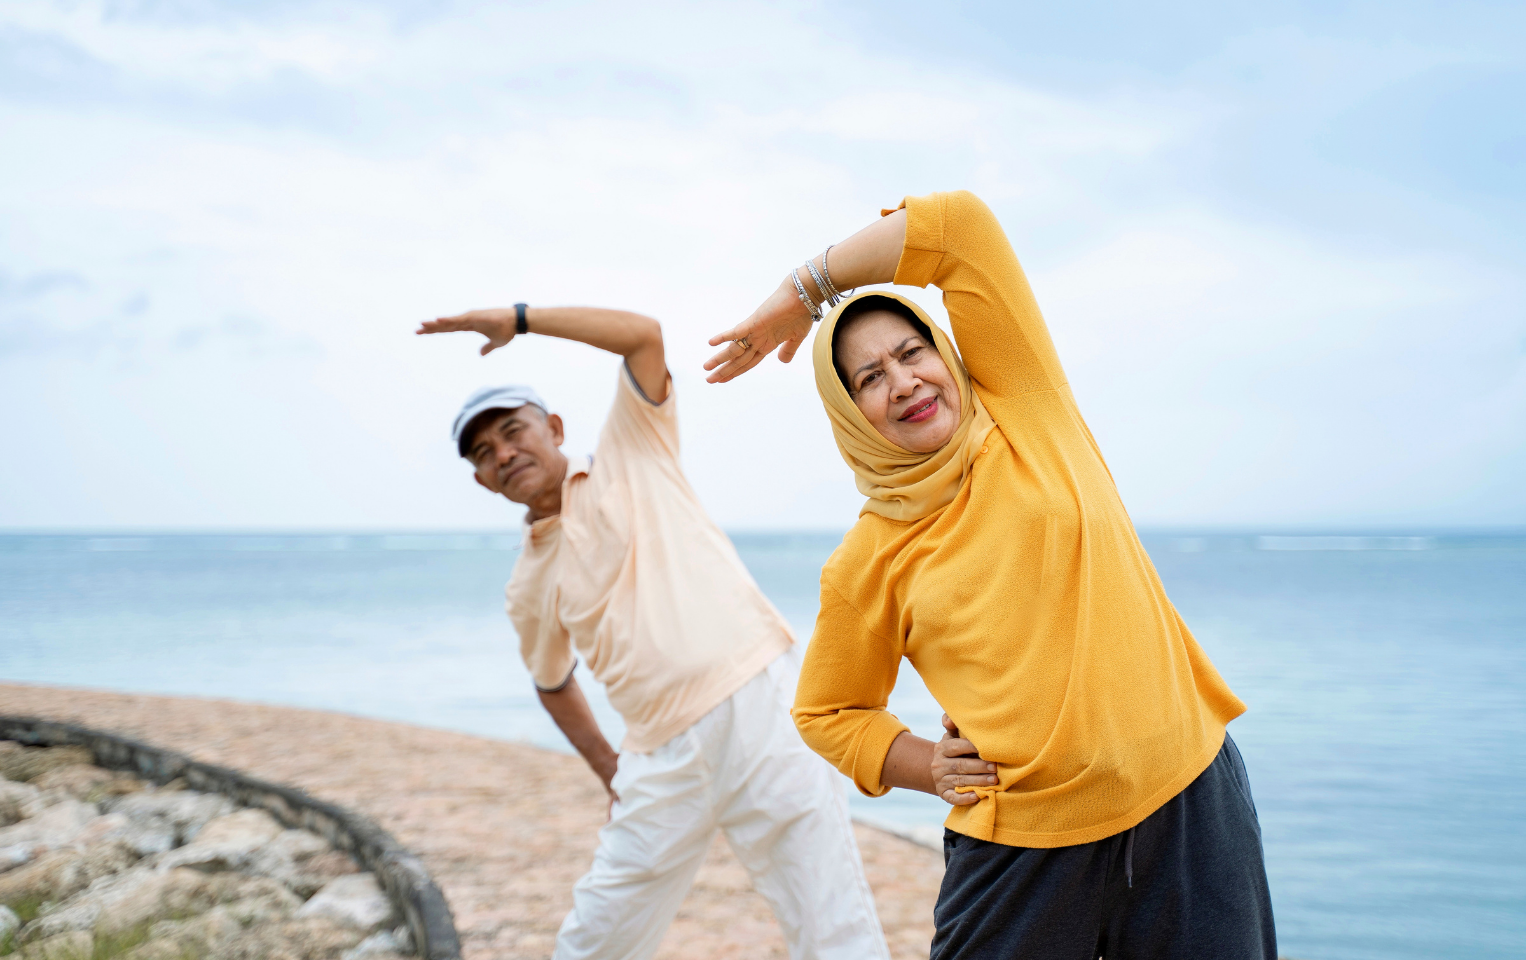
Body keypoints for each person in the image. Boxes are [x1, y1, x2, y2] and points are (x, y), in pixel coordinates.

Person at [704, 191, 1277, 959]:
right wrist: (927, 765)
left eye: (912, 354)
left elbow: (960, 230)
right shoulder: (866, 561)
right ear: (848, 412)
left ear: (946, 355)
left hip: (1188, 810)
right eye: (867, 378)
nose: (902, 383)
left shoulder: (1029, 412)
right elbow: (828, 711)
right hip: (1021, 850)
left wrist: (801, 293)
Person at [416, 304, 888, 960]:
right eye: (485, 453)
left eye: (514, 432)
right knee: (593, 940)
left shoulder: (632, 449)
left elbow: (643, 337)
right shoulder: (528, 585)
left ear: (552, 428)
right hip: (657, 758)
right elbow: (552, 682)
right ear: (480, 478)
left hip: (761, 707)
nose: (504, 453)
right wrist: (609, 770)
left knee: (829, 923)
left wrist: (519, 320)